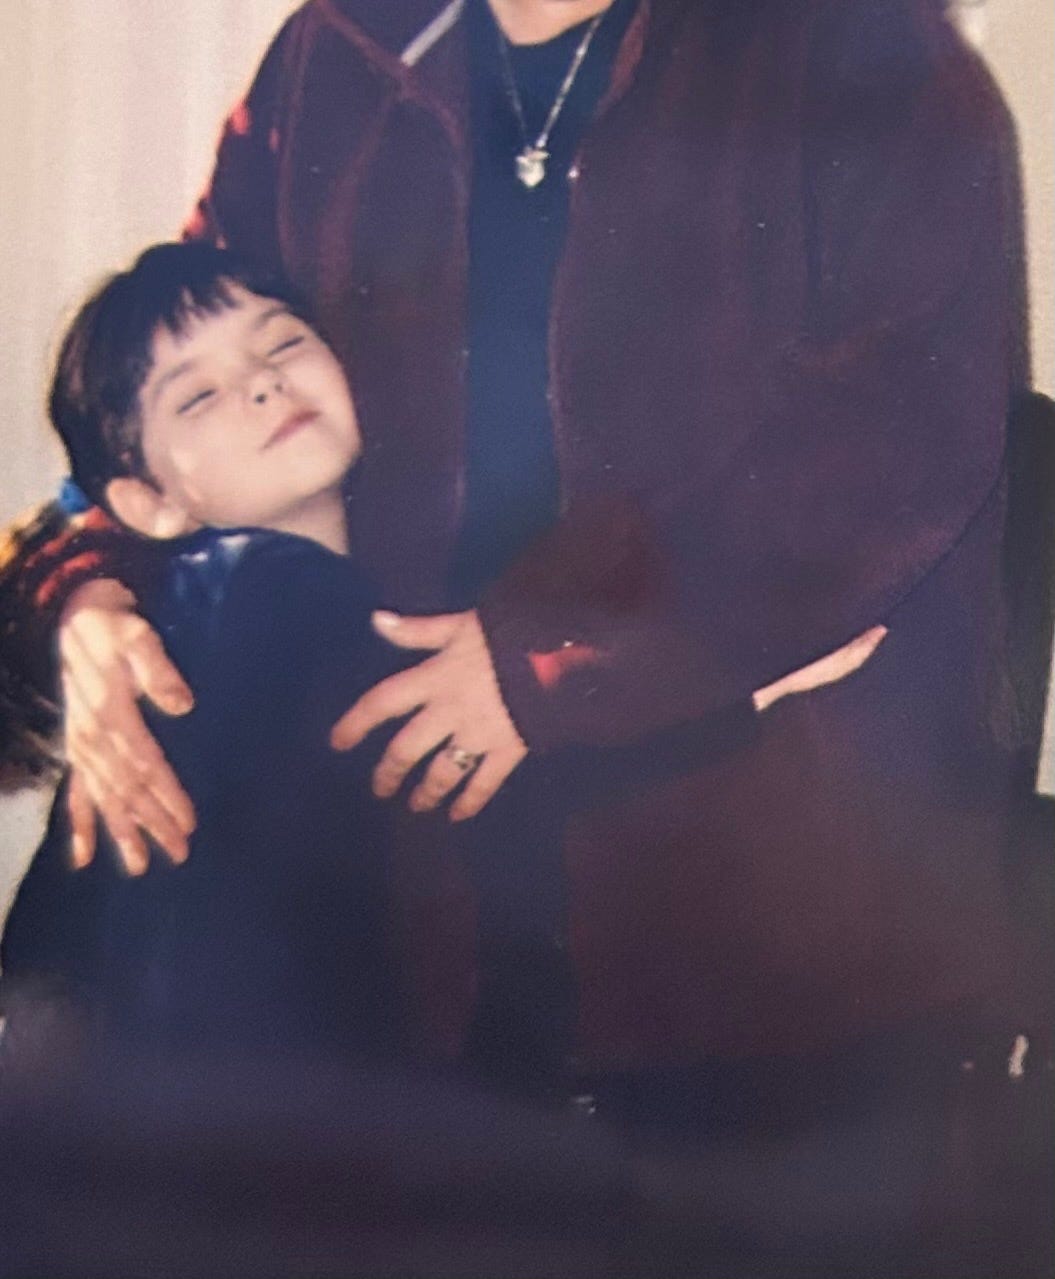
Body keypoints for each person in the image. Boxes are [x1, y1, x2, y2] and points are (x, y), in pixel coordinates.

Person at [1, 1, 1048, 1272]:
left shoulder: (853, 45)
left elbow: (906, 433)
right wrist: (81, 601)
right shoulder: (339, 50)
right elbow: (141, 406)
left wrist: (551, 659)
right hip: (425, 985)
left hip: (774, 981)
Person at [2, 241, 404, 1063]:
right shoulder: (243, 584)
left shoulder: (261, 601)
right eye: (197, 397)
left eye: (282, 341)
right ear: (148, 503)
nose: (261, 382)